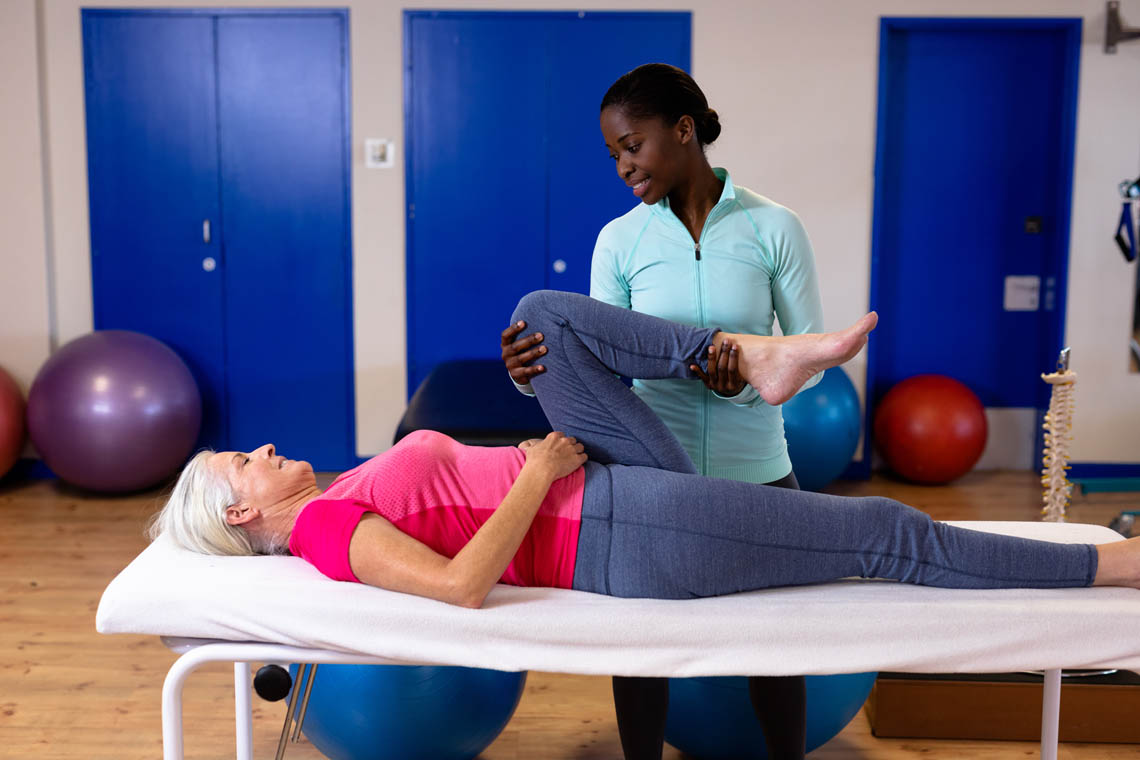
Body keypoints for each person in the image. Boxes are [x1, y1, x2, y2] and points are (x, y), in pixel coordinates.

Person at [152, 291, 1137, 624]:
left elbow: (449, 503)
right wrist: (537, 475)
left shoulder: (338, 493)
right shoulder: (323, 530)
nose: (265, 448)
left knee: (540, 320)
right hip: (620, 533)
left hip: (606, 486)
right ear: (243, 513)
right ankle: (1115, 566)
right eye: (246, 461)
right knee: (885, 533)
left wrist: (532, 460)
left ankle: (750, 355)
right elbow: (458, 587)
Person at [502, 63, 826, 758]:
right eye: (613, 154)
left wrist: (745, 385)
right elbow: (596, 361)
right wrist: (529, 375)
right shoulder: (620, 240)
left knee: (775, 649)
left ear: (683, 130)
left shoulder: (774, 227)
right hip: (652, 477)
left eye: (632, 145)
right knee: (641, 652)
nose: (623, 166)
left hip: (758, 469)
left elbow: (809, 357)